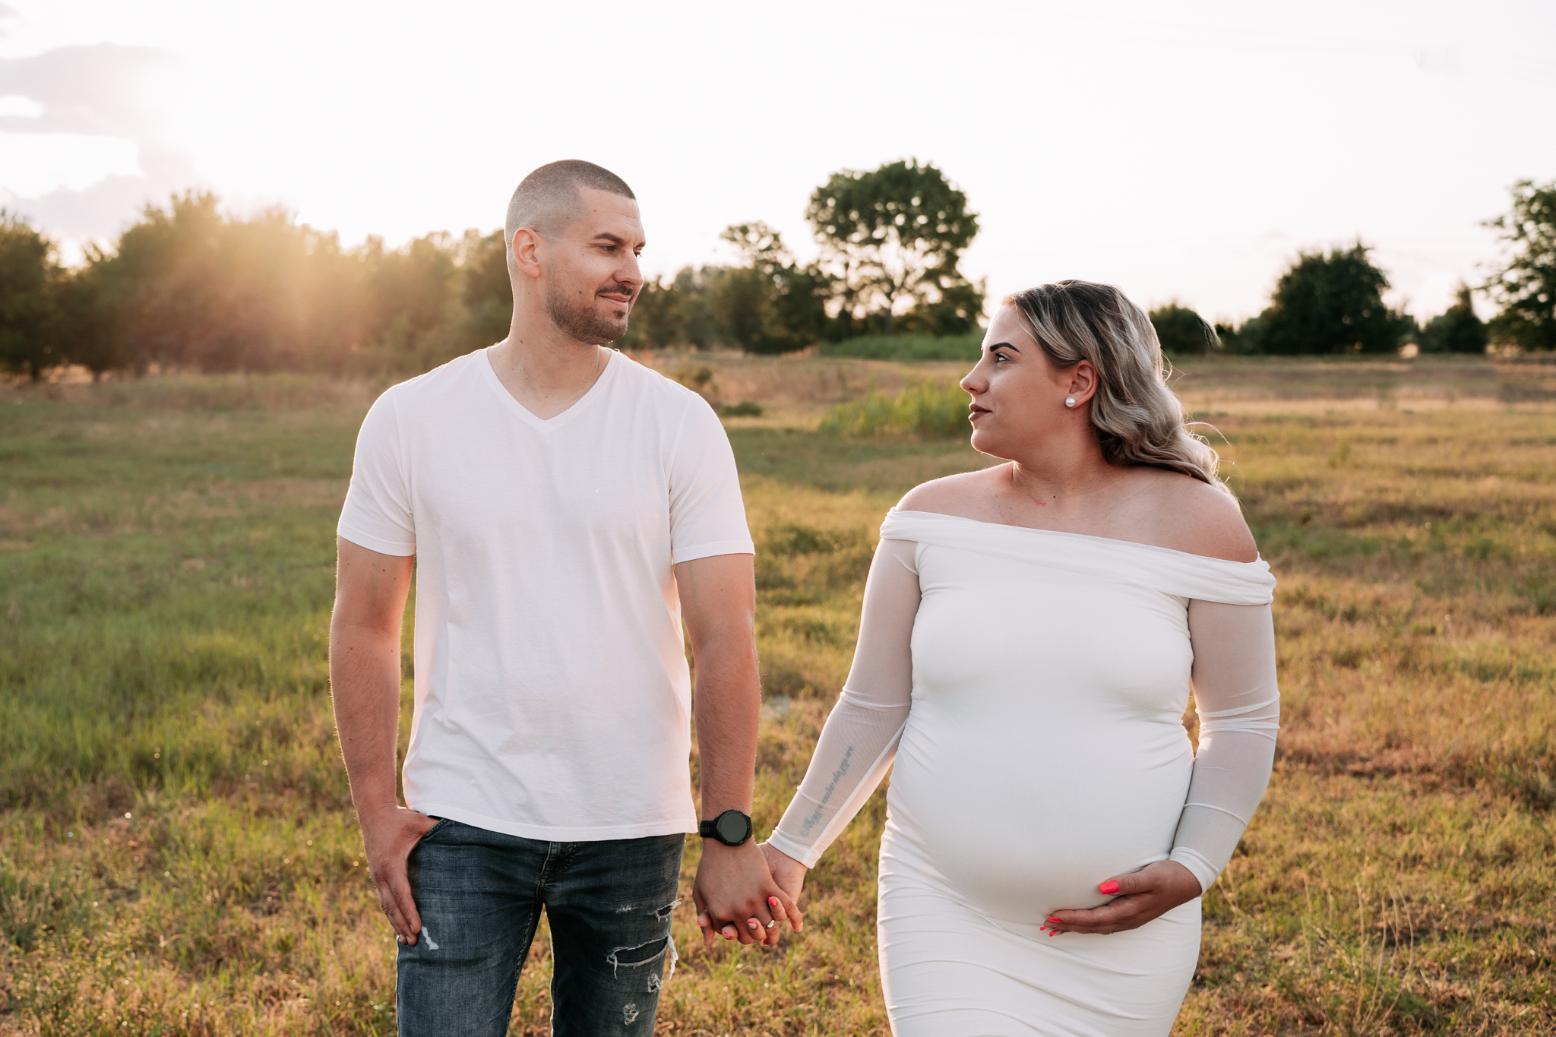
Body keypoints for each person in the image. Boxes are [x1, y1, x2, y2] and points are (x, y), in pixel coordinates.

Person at [328, 159, 798, 1037]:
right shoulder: (411, 417)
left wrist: (728, 831)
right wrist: (374, 809)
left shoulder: (679, 422)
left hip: (630, 821)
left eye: (639, 250)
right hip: (459, 819)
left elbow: (725, 635)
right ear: (530, 250)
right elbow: (363, 623)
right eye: (609, 246)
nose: (633, 271)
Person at [754, 280, 1281, 1035]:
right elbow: (873, 706)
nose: (971, 380)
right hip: (944, 909)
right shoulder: (929, 518)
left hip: (1126, 940)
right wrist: (792, 847)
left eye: (1000, 358)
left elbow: (1242, 721)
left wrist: (1196, 863)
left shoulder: (1201, 522)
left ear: (1079, 381)